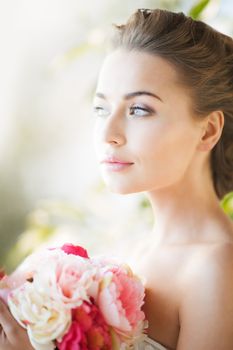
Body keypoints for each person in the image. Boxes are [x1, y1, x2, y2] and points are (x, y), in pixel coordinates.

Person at [0, 7, 233, 350]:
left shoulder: (217, 268)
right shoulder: (129, 252)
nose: (109, 133)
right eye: (101, 109)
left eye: (139, 109)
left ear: (208, 130)